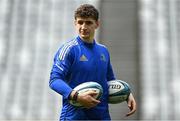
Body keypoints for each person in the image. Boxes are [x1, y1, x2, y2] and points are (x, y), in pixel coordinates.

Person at [49, 4, 136, 121]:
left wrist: (126, 93)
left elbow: (110, 80)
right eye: (80, 22)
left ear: (97, 24)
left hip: (101, 116)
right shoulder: (69, 49)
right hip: (74, 116)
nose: (83, 27)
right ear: (75, 23)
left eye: (88, 23)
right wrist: (77, 96)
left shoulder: (103, 51)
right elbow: (54, 80)